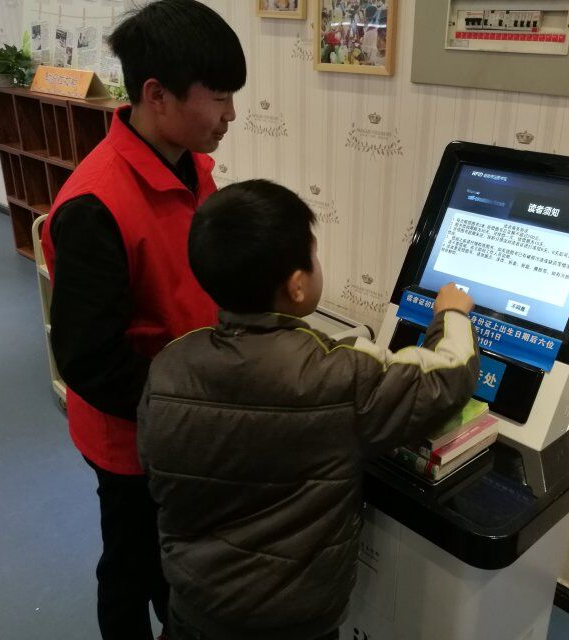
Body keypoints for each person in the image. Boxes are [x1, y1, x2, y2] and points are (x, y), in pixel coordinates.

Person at [137, 179, 481, 640]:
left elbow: (157, 465)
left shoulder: (169, 365)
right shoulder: (338, 373)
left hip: (195, 607)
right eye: (314, 256)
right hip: (294, 620)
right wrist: (452, 313)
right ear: (297, 286)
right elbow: (448, 376)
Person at [39, 1, 246, 639]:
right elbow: (88, 360)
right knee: (132, 562)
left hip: (185, 418)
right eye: (219, 97)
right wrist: (192, 406)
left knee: (175, 561)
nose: (231, 115)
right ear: (156, 95)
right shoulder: (94, 206)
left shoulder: (192, 166)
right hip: (132, 435)